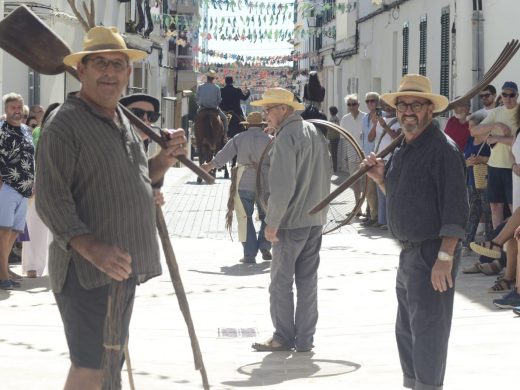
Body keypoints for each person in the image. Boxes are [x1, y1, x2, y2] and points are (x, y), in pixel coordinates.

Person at [35, 26, 187, 390]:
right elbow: (51, 201)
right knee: (91, 367)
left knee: (110, 361)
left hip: (120, 268)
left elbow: (136, 177)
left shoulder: (121, 119)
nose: (110, 72)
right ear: (81, 71)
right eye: (100, 63)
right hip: (86, 273)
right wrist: (93, 248)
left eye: (118, 64)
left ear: (127, 72)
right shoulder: (64, 124)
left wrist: (163, 161)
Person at [363, 74, 468, 390]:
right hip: (408, 252)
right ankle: (414, 383)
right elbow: (398, 192)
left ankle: (428, 385)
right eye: (403, 105)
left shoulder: (443, 150)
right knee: (407, 329)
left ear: (430, 110)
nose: (408, 111)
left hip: (432, 252)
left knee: (429, 331)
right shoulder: (404, 147)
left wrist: (445, 257)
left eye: (416, 105)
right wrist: (381, 178)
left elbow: (455, 210)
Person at [249, 88, 331, 352]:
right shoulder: (314, 132)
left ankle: (283, 337)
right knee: (308, 282)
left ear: (283, 110)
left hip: (291, 222)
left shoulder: (285, 137)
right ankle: (306, 340)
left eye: (268, 110)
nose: (266, 116)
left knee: (280, 283)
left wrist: (272, 222)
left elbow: (282, 186)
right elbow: (326, 172)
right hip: (315, 219)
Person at [201, 112, 272, 264]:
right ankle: (265, 244)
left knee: (245, 217)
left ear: (247, 125)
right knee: (268, 216)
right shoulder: (270, 140)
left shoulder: (239, 138)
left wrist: (209, 166)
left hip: (244, 182)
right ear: (262, 125)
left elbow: (224, 155)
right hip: (265, 183)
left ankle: (249, 254)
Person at [0, 93, 35, 290]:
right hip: (7, 186)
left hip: (25, 189)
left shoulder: (26, 130)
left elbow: (31, 157)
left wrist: (33, 181)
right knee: (3, 232)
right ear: (6, 109)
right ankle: (3, 274)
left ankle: (3, 269)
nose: (17, 111)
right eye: (13, 107)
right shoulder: (0, 129)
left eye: (20, 107)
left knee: (14, 233)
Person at [471, 81, 517, 229]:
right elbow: (475, 131)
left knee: (514, 208)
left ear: (517, 96)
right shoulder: (497, 112)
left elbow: (518, 141)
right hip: (494, 166)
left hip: (514, 168)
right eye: (505, 94)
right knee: (495, 207)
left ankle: (515, 247)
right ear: (501, 96)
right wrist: (495, 125)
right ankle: (498, 244)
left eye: (511, 95)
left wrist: (498, 138)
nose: (508, 98)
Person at [339, 94, 366, 209]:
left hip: (364, 153)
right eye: (349, 104)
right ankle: (357, 207)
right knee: (354, 182)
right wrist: (344, 157)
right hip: (351, 153)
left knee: (366, 183)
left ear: (358, 104)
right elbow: (344, 139)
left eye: (354, 104)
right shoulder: (345, 119)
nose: (351, 106)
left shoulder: (366, 117)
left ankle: (368, 209)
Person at [361, 91, 381, 226]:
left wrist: (376, 124)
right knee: (368, 189)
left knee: (375, 190)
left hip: (377, 158)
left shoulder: (382, 117)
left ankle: (375, 217)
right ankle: (370, 214)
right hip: (366, 156)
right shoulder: (365, 118)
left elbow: (371, 137)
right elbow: (364, 138)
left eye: (372, 101)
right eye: (367, 101)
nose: (370, 104)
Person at [196, 69, 229, 133]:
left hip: (202, 108)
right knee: (225, 119)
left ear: (207, 77)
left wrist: (200, 103)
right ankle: (225, 136)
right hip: (214, 108)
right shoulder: (217, 88)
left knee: (196, 121)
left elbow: (197, 98)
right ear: (213, 78)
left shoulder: (200, 87)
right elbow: (219, 100)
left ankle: (194, 136)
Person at [328, 106, 340, 172]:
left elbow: (332, 128)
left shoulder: (333, 119)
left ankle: (334, 168)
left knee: (333, 154)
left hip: (333, 138)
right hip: (335, 138)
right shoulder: (336, 118)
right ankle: (334, 167)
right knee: (334, 154)